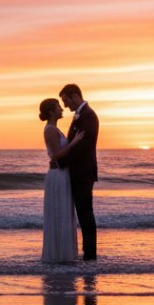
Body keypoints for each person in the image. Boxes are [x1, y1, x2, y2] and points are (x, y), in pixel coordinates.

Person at [39, 98, 84, 263]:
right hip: (57, 175)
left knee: (64, 212)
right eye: (58, 106)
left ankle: (63, 254)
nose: (61, 108)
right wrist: (75, 142)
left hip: (62, 173)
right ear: (51, 111)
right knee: (59, 212)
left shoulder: (55, 129)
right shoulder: (50, 129)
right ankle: (58, 256)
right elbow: (57, 154)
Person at [57, 84, 99, 260]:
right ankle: (87, 253)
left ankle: (90, 255)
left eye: (66, 100)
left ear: (75, 96)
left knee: (85, 214)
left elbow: (82, 146)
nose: (65, 106)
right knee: (82, 213)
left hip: (83, 173)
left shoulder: (88, 116)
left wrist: (60, 161)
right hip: (78, 172)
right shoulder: (80, 115)